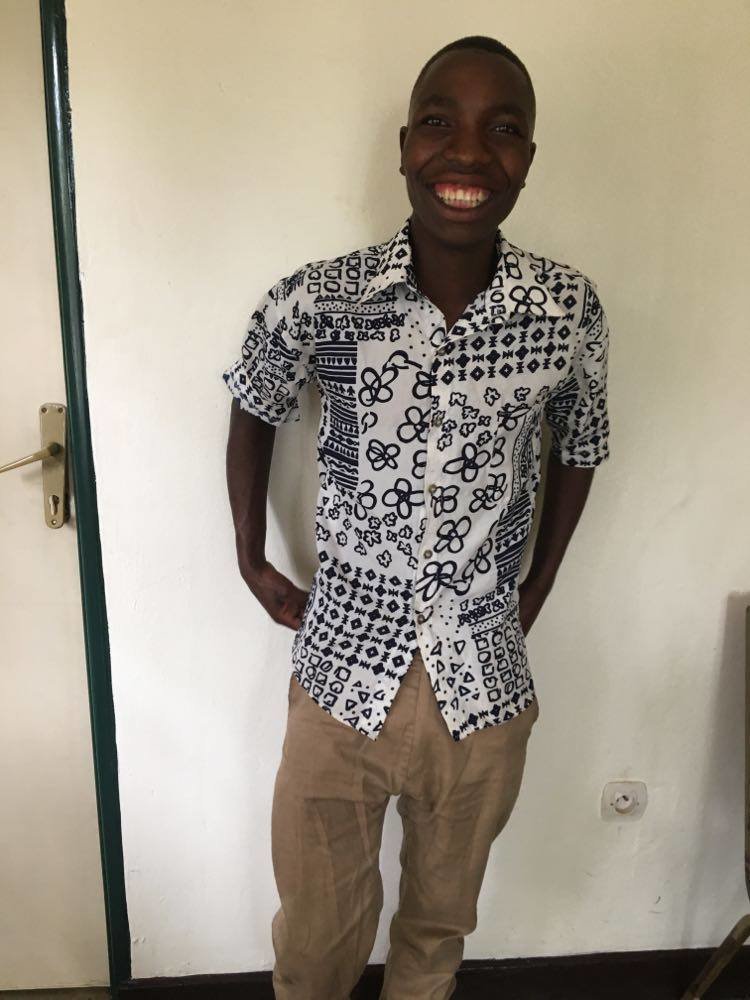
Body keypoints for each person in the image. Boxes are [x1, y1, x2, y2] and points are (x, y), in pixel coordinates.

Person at [224, 33, 611, 1000]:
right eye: (440, 122)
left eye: (502, 129)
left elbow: (582, 445)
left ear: (528, 157)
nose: (468, 151)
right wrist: (251, 559)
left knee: (437, 929)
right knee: (317, 937)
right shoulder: (321, 299)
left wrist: (536, 589)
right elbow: (253, 403)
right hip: (342, 670)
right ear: (405, 146)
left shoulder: (565, 310)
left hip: (483, 676)